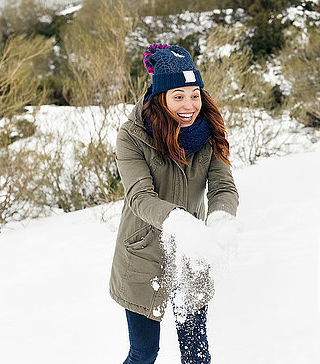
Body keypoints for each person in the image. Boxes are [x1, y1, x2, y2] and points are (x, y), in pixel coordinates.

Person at [109, 43, 239, 364]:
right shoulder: (133, 135)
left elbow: (222, 186)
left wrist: (221, 219)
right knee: (144, 353)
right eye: (178, 95)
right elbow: (139, 197)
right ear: (160, 97)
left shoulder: (211, 133)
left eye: (194, 94)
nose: (189, 104)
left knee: (196, 353)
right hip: (143, 255)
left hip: (192, 253)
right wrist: (180, 223)